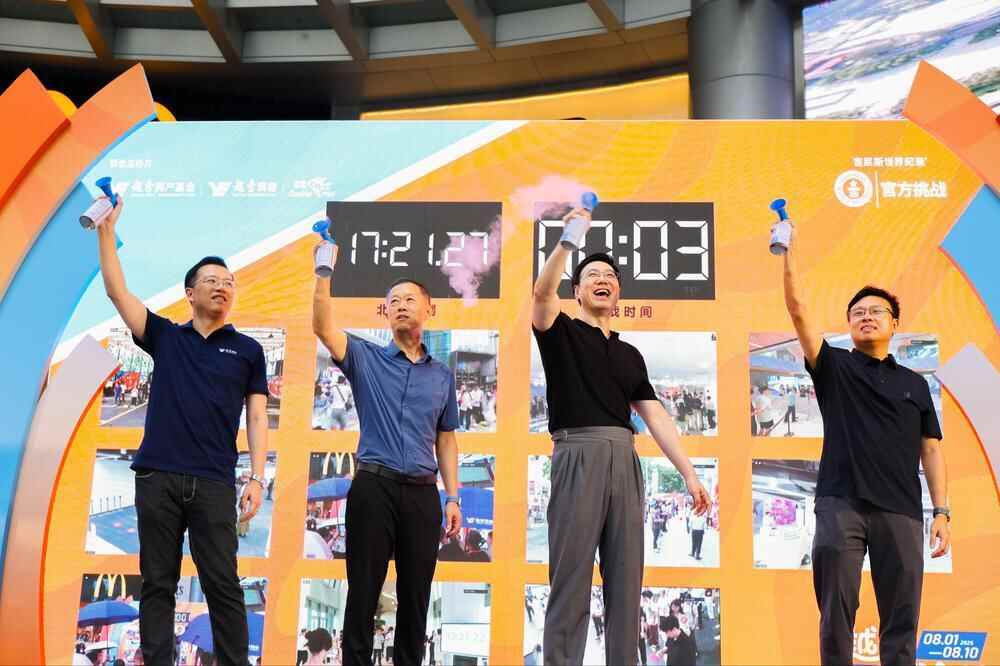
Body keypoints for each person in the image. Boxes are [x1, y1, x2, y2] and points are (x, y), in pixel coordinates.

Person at [531, 206, 711, 666]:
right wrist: (568, 239)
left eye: (610, 276)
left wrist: (689, 474)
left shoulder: (630, 354)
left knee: (627, 584)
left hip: (625, 461)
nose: (602, 280)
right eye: (592, 275)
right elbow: (541, 292)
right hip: (578, 453)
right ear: (576, 290)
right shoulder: (559, 331)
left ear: (618, 293)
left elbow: (656, 416)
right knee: (570, 581)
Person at [94, 197, 267, 664]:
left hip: (214, 482)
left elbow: (256, 416)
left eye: (228, 283)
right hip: (159, 477)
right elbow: (117, 293)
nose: (222, 287)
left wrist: (256, 476)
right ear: (190, 293)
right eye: (211, 281)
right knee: (158, 583)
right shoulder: (166, 336)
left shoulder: (248, 351)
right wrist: (106, 233)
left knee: (223, 584)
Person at [781, 221, 950, 665]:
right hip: (841, 504)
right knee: (836, 615)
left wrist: (942, 511)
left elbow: (931, 450)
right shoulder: (834, 366)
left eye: (876, 311)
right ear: (849, 324)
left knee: (902, 618)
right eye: (857, 312)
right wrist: (789, 252)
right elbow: (798, 309)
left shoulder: (915, 384)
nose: (866, 316)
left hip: (902, 510)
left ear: (894, 324)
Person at [313, 243, 462, 666]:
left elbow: (446, 439)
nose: (400, 306)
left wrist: (452, 497)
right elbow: (322, 326)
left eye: (409, 299)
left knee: (416, 597)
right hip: (373, 488)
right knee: (362, 592)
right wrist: (323, 271)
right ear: (385, 312)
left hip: (422, 494)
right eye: (393, 301)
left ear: (429, 309)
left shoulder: (442, 376)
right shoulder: (365, 358)